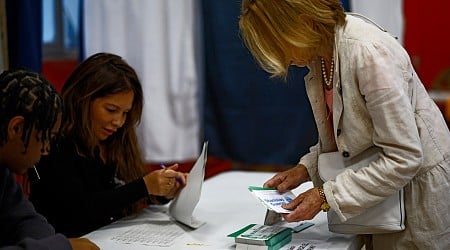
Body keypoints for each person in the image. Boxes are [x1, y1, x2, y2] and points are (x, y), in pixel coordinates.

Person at [239, 0, 450, 249]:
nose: (281, 59)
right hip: (383, 199)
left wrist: (325, 196)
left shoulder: (368, 53)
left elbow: (404, 157)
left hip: (416, 201)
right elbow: (351, 134)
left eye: (278, 44)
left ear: (304, 23)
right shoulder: (322, 54)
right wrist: (306, 169)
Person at [29, 52, 187, 237]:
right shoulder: (55, 143)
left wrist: (160, 192)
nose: (118, 122)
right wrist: (144, 186)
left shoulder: (114, 140)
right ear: (83, 100)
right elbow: (80, 209)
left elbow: (118, 193)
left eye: (125, 113)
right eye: (111, 110)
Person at [0, 69, 99, 249]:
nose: (46, 150)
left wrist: (50, 244)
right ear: (16, 128)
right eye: (45, 138)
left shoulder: (4, 174)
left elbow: (26, 219)